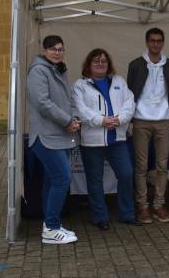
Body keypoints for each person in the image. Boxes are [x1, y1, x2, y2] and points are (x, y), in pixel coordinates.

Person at [72, 48, 139, 230]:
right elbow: (80, 110)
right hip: (92, 141)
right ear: (89, 64)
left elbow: (130, 103)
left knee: (126, 174)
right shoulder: (80, 85)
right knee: (95, 180)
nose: (100, 64)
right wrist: (102, 121)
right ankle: (100, 216)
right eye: (96, 61)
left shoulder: (118, 81)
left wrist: (120, 120)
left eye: (103, 61)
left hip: (117, 138)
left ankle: (127, 214)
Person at [26, 35, 81, 244]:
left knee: (52, 180)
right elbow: (42, 103)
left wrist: (74, 118)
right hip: (46, 137)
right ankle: (51, 229)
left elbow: (68, 100)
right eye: (52, 49)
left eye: (60, 49)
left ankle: (51, 224)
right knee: (62, 179)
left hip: (60, 135)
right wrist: (68, 121)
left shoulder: (59, 70)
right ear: (44, 50)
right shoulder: (39, 70)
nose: (57, 52)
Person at [127, 27, 169, 224]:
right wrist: (130, 119)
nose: (156, 44)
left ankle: (159, 204)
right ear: (147, 42)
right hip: (141, 120)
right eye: (152, 41)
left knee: (162, 166)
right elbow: (131, 92)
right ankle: (142, 206)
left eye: (159, 41)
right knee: (141, 166)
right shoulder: (136, 65)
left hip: (163, 121)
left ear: (163, 43)